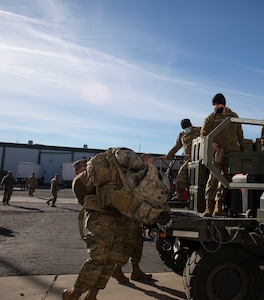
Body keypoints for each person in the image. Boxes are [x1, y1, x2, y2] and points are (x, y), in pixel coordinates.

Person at [63, 158, 125, 300]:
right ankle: (75, 294)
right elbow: (84, 198)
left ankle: (92, 294)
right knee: (98, 259)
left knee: (110, 261)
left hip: (116, 220)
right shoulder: (79, 181)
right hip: (100, 222)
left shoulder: (106, 179)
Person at [201, 93, 246, 217]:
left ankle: (218, 206)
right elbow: (203, 135)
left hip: (232, 152)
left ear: (224, 104)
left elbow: (240, 133)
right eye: (214, 105)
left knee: (225, 181)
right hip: (217, 153)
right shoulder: (210, 118)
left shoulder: (233, 116)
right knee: (213, 179)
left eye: (218, 104)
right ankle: (208, 207)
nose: (216, 107)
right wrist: (211, 144)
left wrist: (243, 149)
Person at [111, 153, 153, 284]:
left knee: (137, 243)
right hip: (128, 216)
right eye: (149, 163)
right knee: (127, 243)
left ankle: (136, 270)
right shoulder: (133, 174)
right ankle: (117, 269)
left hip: (137, 215)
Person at [160, 119, 201, 201]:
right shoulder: (182, 135)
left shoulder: (199, 130)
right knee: (182, 175)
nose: (186, 130)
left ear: (191, 125)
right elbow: (176, 147)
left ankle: (180, 195)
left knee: (182, 173)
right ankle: (180, 195)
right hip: (187, 158)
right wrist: (167, 156)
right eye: (184, 128)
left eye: (187, 127)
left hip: (197, 157)